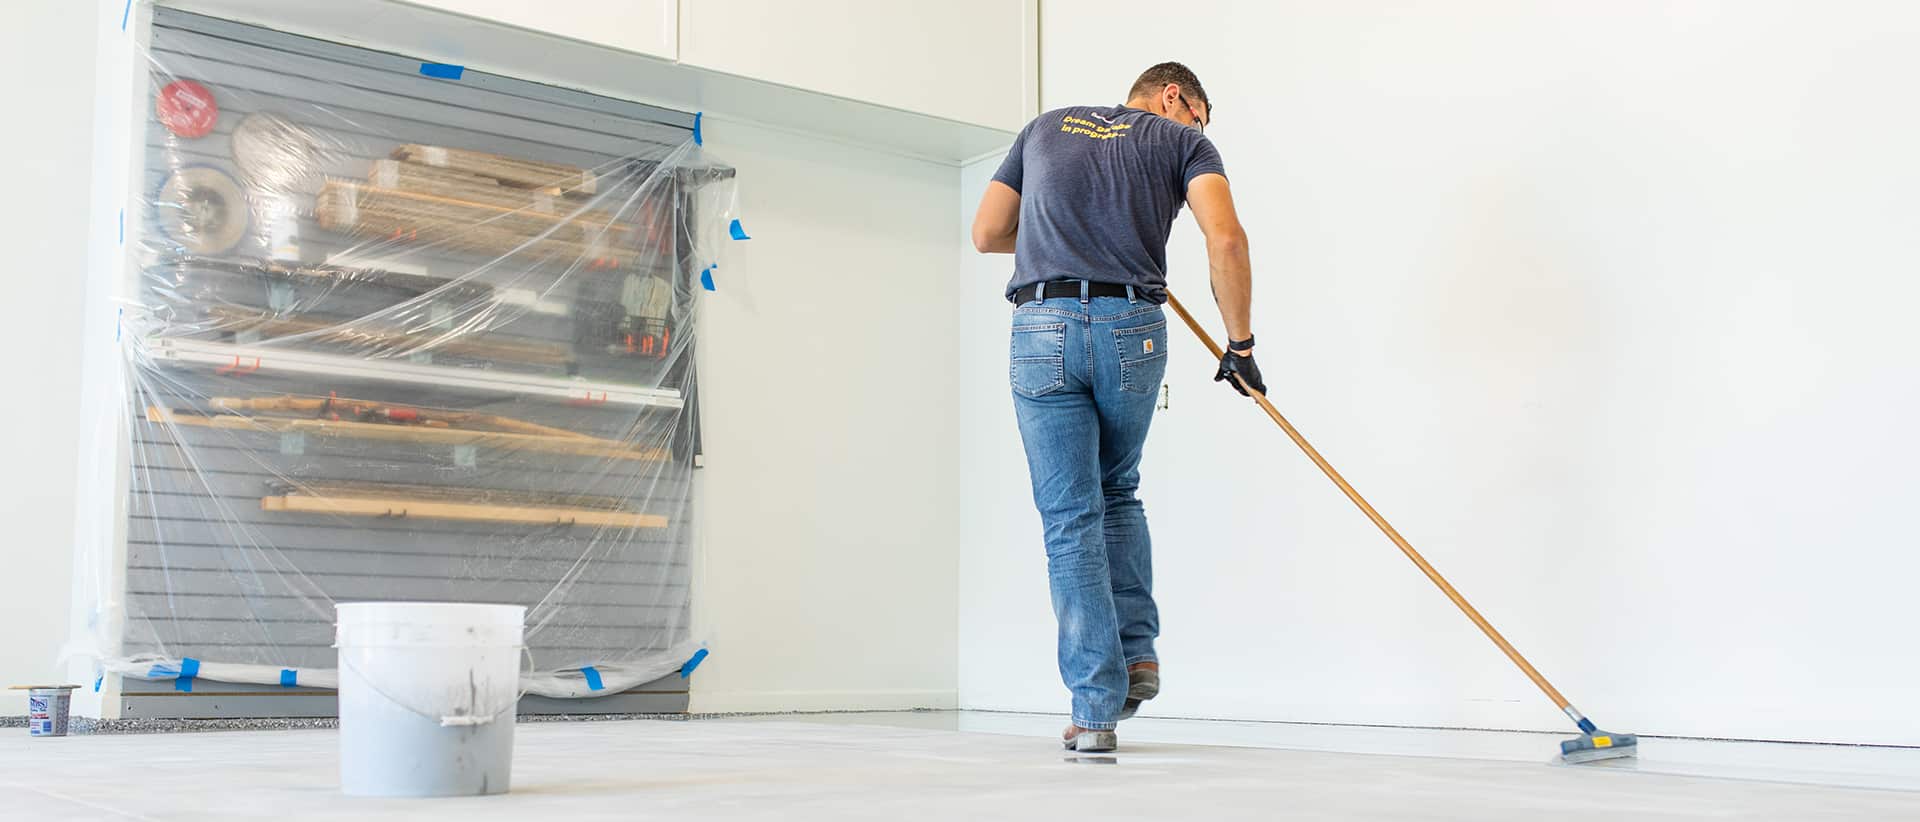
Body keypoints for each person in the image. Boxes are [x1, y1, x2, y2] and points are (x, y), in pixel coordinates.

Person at [970, 62, 1263, 753]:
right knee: (1118, 490)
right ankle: (1138, 655)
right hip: (1131, 328)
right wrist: (1240, 345)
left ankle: (1096, 711)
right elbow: (1225, 238)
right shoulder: (1183, 144)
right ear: (1174, 98)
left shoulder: (1042, 129)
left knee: (1072, 516)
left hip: (1040, 328)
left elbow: (986, 233)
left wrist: (1059, 236)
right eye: (1200, 115)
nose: (1199, 129)